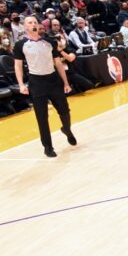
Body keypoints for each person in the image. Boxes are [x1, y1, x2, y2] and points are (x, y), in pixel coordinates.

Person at [13, 16, 76, 157]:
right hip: (36, 82)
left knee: (65, 110)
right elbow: (18, 66)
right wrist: (21, 84)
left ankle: (67, 129)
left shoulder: (49, 42)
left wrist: (66, 82)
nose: (33, 24)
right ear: (25, 27)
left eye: (35, 22)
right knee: (42, 117)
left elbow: (58, 63)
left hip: (53, 80)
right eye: (30, 22)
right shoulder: (20, 45)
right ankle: (48, 147)